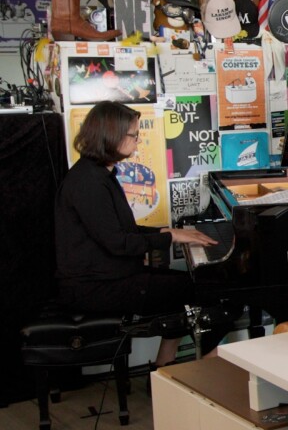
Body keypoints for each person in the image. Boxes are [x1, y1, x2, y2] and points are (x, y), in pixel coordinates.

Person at [56, 101, 224, 367]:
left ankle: (164, 368)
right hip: (94, 288)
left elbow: (123, 230)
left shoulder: (99, 174)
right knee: (198, 289)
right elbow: (118, 243)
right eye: (134, 135)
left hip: (108, 278)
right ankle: (206, 368)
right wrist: (170, 237)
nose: (138, 140)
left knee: (189, 286)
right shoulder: (89, 182)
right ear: (111, 136)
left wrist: (168, 231)